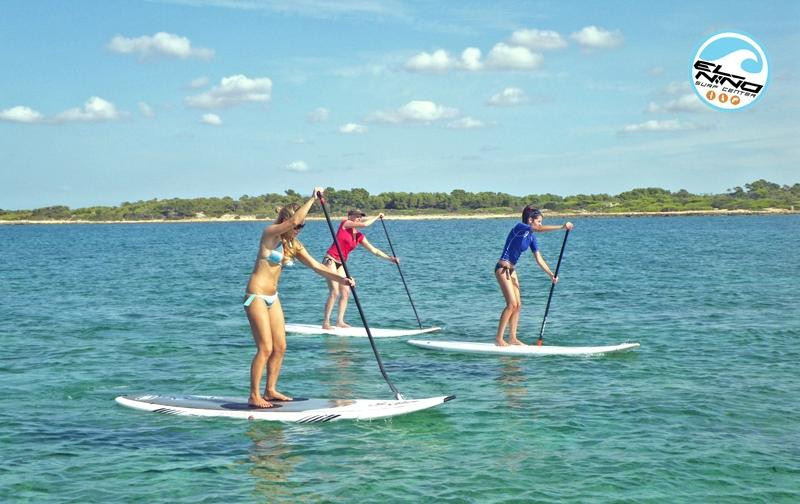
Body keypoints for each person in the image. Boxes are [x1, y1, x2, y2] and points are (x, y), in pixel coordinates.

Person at [244, 187, 354, 408]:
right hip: (255, 295)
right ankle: (254, 395)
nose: (299, 229)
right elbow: (295, 218)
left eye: (302, 226)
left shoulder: (294, 245)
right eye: (297, 225)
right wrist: (313, 199)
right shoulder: (270, 234)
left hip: (273, 297)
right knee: (265, 347)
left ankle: (271, 389)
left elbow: (316, 266)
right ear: (287, 221)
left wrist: (342, 279)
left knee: (281, 347)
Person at [495, 206, 573, 346]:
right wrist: (562, 227)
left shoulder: (531, 237)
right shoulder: (520, 227)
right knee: (511, 304)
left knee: (518, 305)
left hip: (512, 270)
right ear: (530, 220)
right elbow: (539, 229)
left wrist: (551, 274)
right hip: (502, 269)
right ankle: (499, 339)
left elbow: (539, 258)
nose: (540, 224)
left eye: (541, 222)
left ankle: (512, 338)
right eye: (539, 221)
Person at [321, 209, 399, 329]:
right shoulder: (345, 224)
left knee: (346, 292)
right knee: (335, 291)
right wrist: (377, 216)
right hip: (330, 260)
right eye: (357, 216)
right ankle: (326, 322)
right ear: (350, 216)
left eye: (360, 216)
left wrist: (390, 259)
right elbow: (365, 224)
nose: (359, 218)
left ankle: (339, 321)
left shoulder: (358, 236)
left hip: (341, 264)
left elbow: (374, 250)